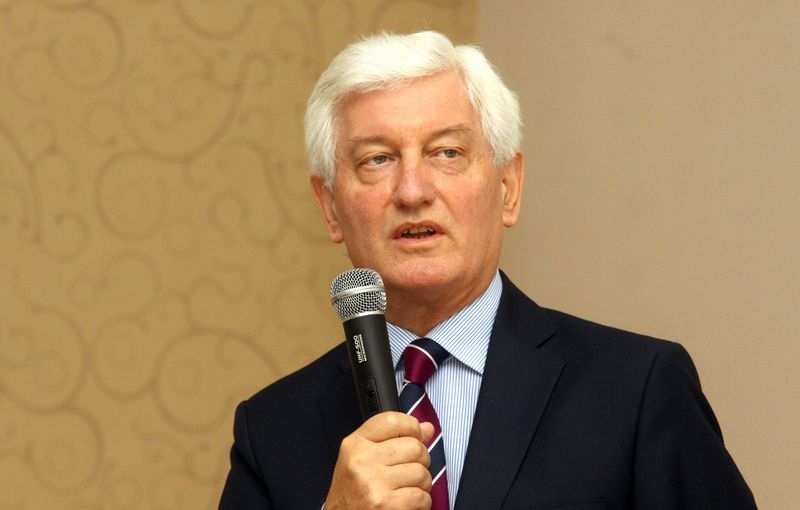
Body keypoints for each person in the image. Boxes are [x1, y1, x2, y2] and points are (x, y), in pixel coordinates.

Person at [218, 31, 756, 510]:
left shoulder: (636, 389)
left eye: (447, 153)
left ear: (508, 188)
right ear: (330, 208)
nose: (412, 191)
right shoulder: (272, 429)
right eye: (377, 159)